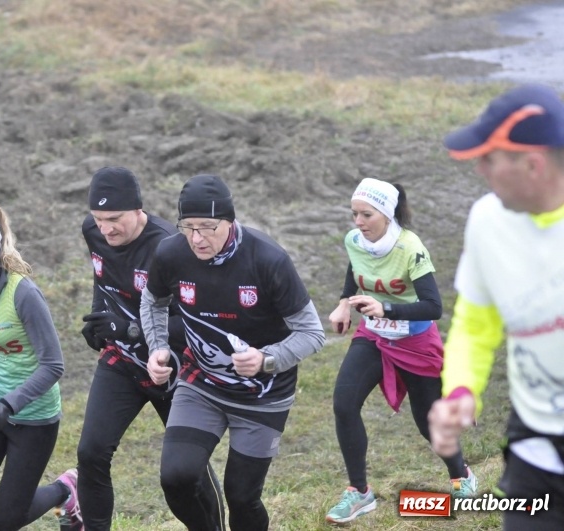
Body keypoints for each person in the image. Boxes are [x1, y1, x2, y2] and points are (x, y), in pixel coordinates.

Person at [142, 173, 325, 531]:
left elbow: (312, 333)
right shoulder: (171, 253)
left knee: (242, 497)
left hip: (263, 395)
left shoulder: (268, 259)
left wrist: (265, 359)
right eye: (188, 227)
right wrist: (158, 347)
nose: (197, 238)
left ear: (230, 220)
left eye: (208, 227)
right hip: (201, 385)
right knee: (176, 478)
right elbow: (153, 302)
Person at [429, 83, 564, 529]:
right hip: (536, 444)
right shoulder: (487, 221)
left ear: (533, 164)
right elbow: (475, 324)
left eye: (491, 158)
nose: (480, 169)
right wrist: (461, 393)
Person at [77, 166, 225, 531]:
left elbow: (197, 323)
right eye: (98, 219)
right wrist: (100, 319)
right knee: (90, 453)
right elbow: (103, 278)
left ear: (138, 210)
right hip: (122, 363)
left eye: (114, 219)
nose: (106, 229)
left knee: (184, 473)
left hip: (175, 367)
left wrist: (128, 328)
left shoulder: (169, 248)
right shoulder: (93, 232)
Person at [324, 178, 478, 524]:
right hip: (374, 337)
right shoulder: (355, 240)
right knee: (343, 404)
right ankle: (359, 493)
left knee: (428, 422)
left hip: (415, 341)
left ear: (388, 214)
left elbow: (433, 306)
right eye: (354, 214)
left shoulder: (410, 248)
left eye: (367, 215)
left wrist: (387, 309)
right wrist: (343, 304)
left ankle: (461, 476)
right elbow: (356, 267)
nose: (359, 222)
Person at [0, 205, 80, 531]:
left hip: (33, 418)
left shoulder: (23, 294)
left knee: (5, 520)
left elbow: (53, 365)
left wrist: (10, 404)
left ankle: (67, 490)